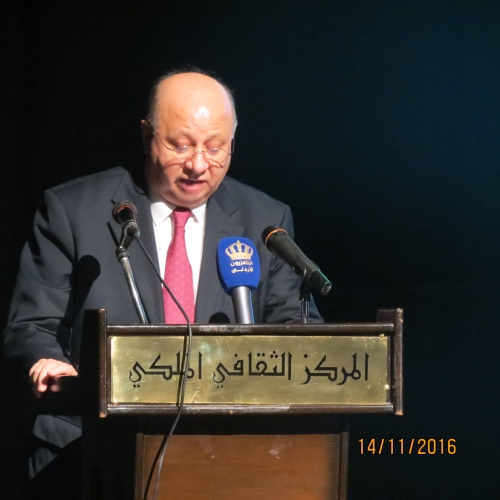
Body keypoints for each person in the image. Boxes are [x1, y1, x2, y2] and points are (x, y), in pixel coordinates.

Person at [2, 69, 322, 495]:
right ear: (146, 134)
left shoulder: (264, 221)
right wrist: (47, 362)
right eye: (180, 144)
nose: (197, 165)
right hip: (86, 455)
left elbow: (295, 330)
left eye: (215, 148)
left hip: (224, 457)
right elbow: (31, 326)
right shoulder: (73, 210)